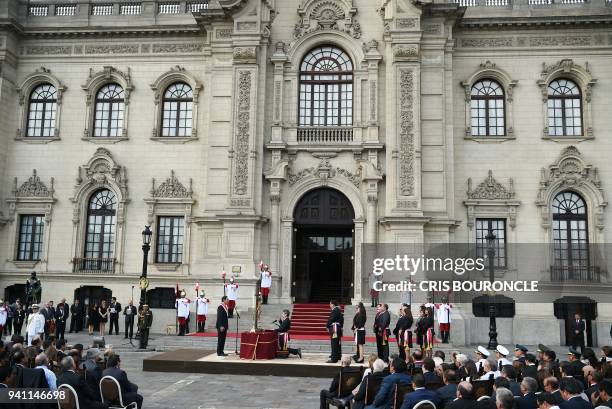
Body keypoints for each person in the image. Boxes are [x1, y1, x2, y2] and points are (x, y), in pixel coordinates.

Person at [327, 299, 344, 364]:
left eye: (330, 304)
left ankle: (334, 358)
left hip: (335, 328)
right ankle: (337, 355)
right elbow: (342, 319)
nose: (329, 305)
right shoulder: (338, 310)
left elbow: (331, 319)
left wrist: (327, 325)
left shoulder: (335, 310)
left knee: (334, 343)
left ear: (333, 304)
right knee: (337, 343)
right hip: (338, 327)